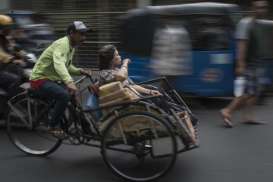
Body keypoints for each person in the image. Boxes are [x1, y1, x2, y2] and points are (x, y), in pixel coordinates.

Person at [95, 44, 197, 146]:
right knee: (160, 99)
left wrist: (149, 92)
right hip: (126, 104)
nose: (120, 56)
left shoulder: (115, 71)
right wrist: (125, 64)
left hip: (132, 98)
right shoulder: (105, 73)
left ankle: (182, 117)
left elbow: (131, 86)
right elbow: (121, 77)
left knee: (158, 93)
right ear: (111, 60)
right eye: (117, 55)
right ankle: (181, 120)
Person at [30, 21, 91, 134]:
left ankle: (85, 128)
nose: (84, 37)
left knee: (75, 98)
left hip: (52, 79)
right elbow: (59, 64)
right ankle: (53, 126)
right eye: (81, 34)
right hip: (40, 79)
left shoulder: (71, 46)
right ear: (72, 33)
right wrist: (69, 81)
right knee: (64, 95)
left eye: (84, 34)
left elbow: (67, 65)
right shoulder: (62, 44)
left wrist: (79, 71)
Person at [220, 0, 270, 127]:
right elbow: (241, 44)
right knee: (247, 92)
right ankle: (227, 110)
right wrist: (240, 64)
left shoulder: (259, 23)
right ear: (252, 8)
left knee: (255, 92)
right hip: (248, 64)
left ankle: (248, 116)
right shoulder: (245, 23)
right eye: (258, 7)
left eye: (263, 8)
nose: (261, 10)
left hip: (257, 63)